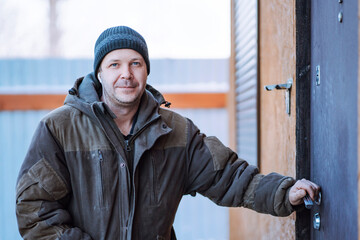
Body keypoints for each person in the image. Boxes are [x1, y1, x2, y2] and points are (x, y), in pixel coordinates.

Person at [15, 26, 320, 240]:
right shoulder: (59, 128)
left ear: (146, 71)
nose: (126, 74)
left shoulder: (176, 131)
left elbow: (229, 177)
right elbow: (35, 210)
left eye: (136, 63)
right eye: (115, 64)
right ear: (99, 73)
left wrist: (283, 192)